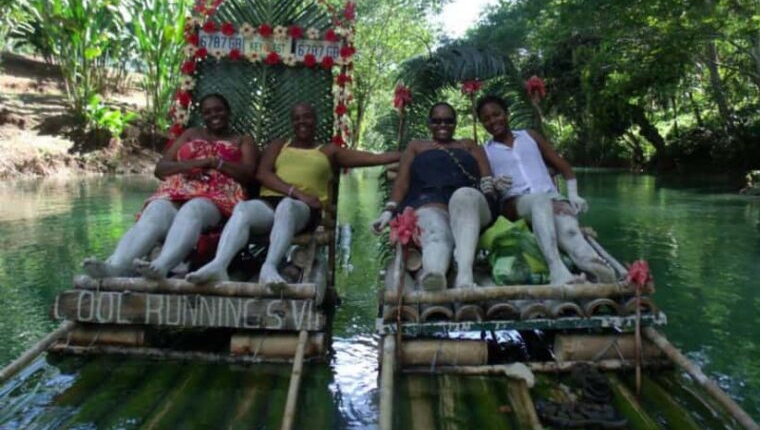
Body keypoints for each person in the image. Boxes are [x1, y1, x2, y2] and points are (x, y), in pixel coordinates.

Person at [186, 102, 400, 285]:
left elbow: (372, 157)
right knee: (243, 209)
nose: (302, 122)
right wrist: (294, 191)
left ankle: (268, 268)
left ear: (315, 120)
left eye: (306, 117)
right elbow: (262, 173)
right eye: (297, 118)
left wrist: (405, 155)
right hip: (271, 202)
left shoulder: (327, 151)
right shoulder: (280, 145)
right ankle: (218, 265)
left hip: (303, 209)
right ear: (292, 122)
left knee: (287, 207)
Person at [83, 93, 257, 279]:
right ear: (202, 116)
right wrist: (193, 164)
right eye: (207, 112)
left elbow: (249, 175)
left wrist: (217, 163)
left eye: (219, 110)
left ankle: (161, 265)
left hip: (218, 196)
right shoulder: (190, 134)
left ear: (228, 112)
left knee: (193, 210)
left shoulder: (242, 140)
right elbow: (161, 169)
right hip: (177, 189)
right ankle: (116, 266)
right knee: (155, 211)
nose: (214, 115)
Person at [477, 94, 615, 285]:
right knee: (540, 200)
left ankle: (597, 268)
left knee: (569, 230)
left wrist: (574, 194)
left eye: (496, 114)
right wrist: (494, 184)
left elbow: (562, 165)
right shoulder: (484, 150)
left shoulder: (530, 136)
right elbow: (486, 188)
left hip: (551, 199)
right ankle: (556, 270)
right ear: (482, 123)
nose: (493, 121)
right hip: (515, 203)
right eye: (486, 119)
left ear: (506, 114)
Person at [372, 102, 495, 290]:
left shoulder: (468, 145)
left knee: (464, 197)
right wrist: (388, 211)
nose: (442, 125)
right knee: (436, 230)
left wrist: (493, 186)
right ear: (429, 123)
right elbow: (402, 182)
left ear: (455, 123)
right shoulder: (417, 147)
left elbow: (487, 180)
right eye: (436, 121)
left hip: (469, 207)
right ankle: (434, 275)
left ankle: (464, 276)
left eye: (448, 121)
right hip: (431, 205)